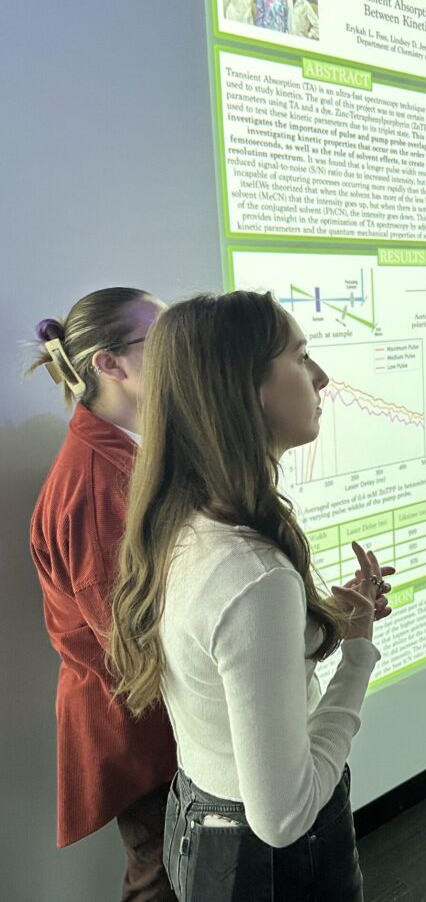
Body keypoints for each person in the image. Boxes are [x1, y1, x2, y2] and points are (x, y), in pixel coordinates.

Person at [107, 291, 392, 902]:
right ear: (247, 388)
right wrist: (359, 655)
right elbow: (284, 818)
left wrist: (321, 626)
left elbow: (222, 660)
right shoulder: (254, 574)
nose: (321, 376)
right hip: (266, 865)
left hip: (201, 825)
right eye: (301, 355)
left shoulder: (181, 519)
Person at [29, 287, 177, 900]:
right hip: (138, 726)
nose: (181, 353)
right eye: (163, 340)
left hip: (149, 717)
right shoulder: (97, 479)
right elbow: (133, 639)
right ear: (108, 364)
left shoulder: (125, 451)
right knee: (162, 880)